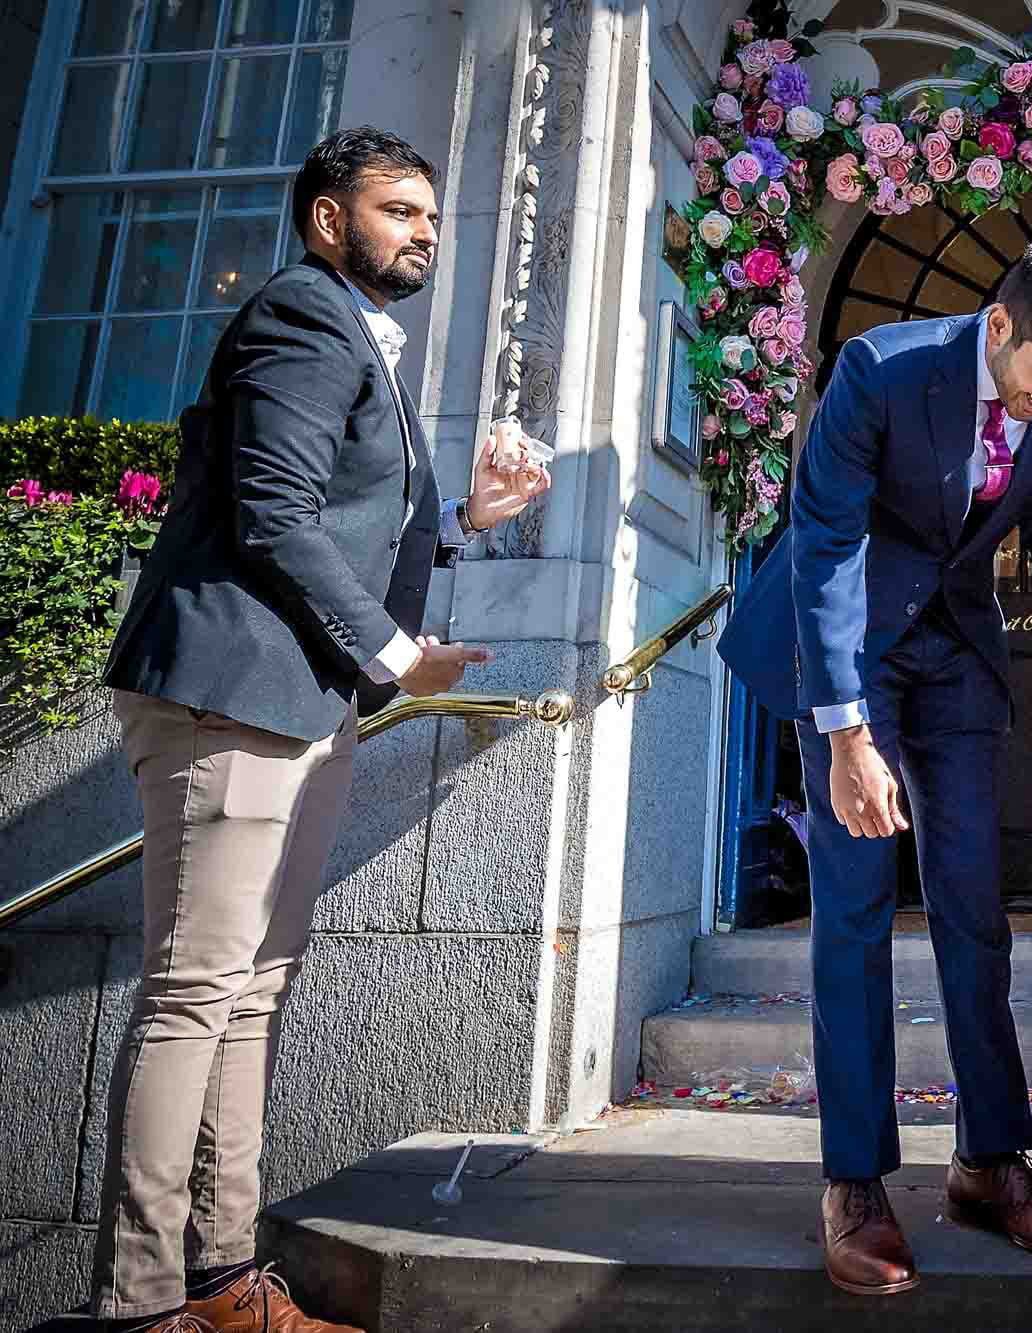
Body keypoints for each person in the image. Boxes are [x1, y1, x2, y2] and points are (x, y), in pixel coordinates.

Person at [93, 127, 551, 1333]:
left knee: (255, 989)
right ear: (327, 220)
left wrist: (464, 517)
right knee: (197, 992)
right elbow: (273, 514)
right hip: (229, 691)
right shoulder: (301, 316)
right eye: (397, 209)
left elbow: (339, 519)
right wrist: (402, 654)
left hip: (300, 698)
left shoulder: (351, 334)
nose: (424, 232)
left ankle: (225, 1279)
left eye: (433, 215)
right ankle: (145, 1307)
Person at [716, 235, 1032, 1296]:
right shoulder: (880, 369)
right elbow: (821, 544)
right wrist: (845, 735)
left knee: (973, 909)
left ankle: (988, 1161)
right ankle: (853, 1180)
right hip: (848, 650)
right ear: (998, 327)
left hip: (957, 655)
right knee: (855, 908)